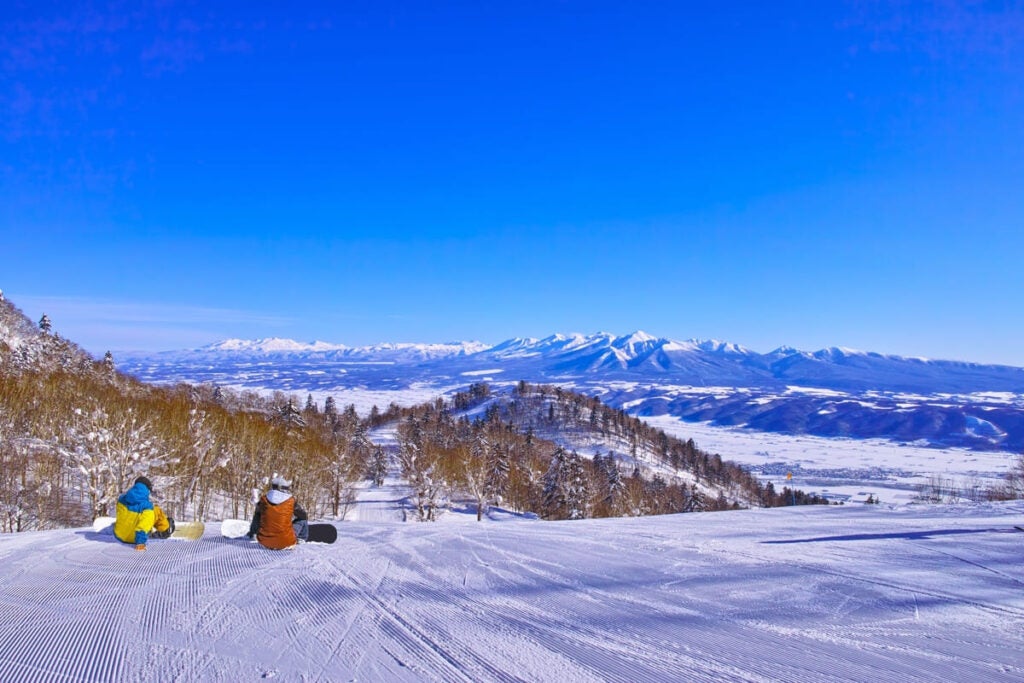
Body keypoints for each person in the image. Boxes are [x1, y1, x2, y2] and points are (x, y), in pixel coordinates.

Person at [114, 476, 175, 551]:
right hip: (134, 539)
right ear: (148, 490)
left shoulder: (122, 499)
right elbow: (144, 524)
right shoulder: (147, 506)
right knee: (155, 510)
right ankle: (165, 528)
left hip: (119, 535)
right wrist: (140, 542)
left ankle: (161, 526)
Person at [247, 476, 309, 550]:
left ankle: (252, 534)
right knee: (303, 520)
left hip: (265, 541)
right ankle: (300, 539)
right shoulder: (291, 501)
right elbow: (303, 515)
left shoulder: (264, 499)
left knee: (258, 514)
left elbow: (258, 515)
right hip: (286, 541)